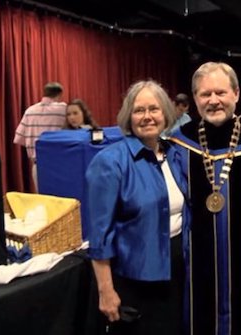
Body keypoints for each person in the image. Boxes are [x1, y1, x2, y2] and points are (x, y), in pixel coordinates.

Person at [85, 80, 187, 335]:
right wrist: (106, 291)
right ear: (128, 116)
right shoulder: (109, 162)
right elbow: (99, 235)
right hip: (134, 282)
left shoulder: (177, 154)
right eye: (139, 110)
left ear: (165, 113)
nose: (147, 116)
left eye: (154, 109)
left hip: (178, 274)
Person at [169, 62, 241, 335]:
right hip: (197, 258)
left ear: (236, 93)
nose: (213, 101)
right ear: (195, 99)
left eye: (220, 92)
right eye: (205, 94)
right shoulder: (179, 142)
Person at [14, 82, 67, 192]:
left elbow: (19, 138)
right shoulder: (64, 109)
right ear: (59, 94)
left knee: (43, 199)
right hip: (61, 161)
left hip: (38, 163)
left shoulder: (30, 111)